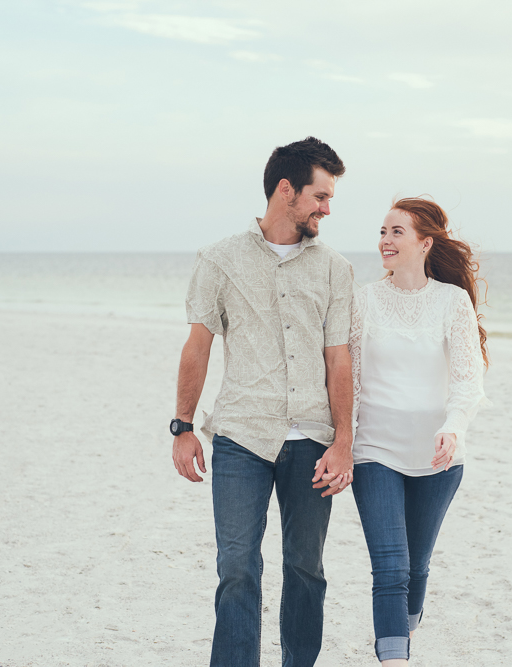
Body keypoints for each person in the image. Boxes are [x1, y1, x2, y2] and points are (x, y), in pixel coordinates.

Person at [172, 136, 356, 667]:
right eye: (320, 197)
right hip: (240, 438)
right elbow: (197, 346)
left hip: (313, 443)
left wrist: (344, 441)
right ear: (285, 190)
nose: (326, 209)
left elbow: (339, 360)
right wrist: (182, 427)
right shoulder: (219, 260)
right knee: (236, 568)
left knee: (305, 568)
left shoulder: (335, 269)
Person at [348, 197, 489, 665]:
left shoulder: (453, 301)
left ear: (425, 243)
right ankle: (395, 657)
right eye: (383, 232)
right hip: (375, 451)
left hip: (438, 458)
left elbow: (469, 379)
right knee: (390, 567)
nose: (385, 241)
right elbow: (349, 378)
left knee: (415, 567)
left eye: (396, 232)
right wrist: (343, 442)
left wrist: (453, 428)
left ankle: (404, 627)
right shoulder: (363, 300)